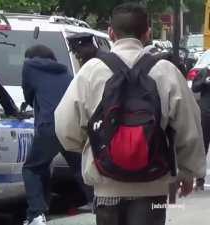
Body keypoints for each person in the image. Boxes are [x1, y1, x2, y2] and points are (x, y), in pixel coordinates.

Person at [54, 3, 206, 225]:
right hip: (155, 184)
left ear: (111, 33)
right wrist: (188, 172)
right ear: (147, 33)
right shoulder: (166, 70)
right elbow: (189, 126)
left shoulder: (91, 71)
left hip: (106, 184)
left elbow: (65, 126)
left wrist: (93, 147)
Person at [21, 44, 73, 225]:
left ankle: (36, 214)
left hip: (49, 125)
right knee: (81, 170)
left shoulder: (29, 67)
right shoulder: (67, 73)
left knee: (31, 168)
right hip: (71, 126)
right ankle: (100, 205)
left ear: (32, 58)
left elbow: (28, 95)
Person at [192, 68, 210, 190]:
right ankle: (200, 180)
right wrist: (204, 81)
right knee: (203, 146)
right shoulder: (204, 72)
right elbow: (195, 87)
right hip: (206, 115)